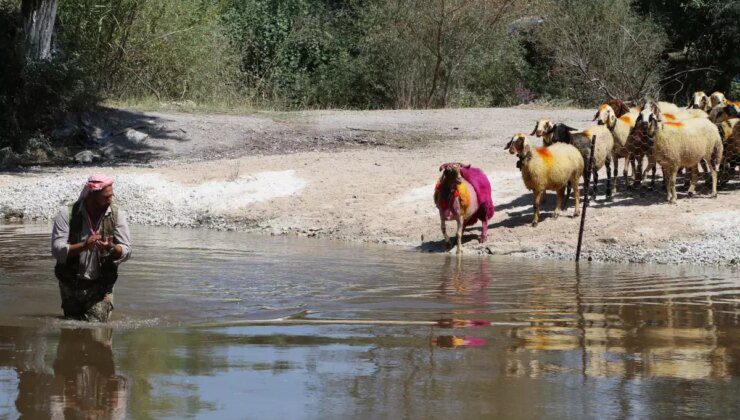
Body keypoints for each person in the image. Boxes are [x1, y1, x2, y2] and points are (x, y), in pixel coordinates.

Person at [51, 174, 132, 322]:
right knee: (71, 330)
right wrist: (84, 246)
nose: (110, 200)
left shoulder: (117, 214)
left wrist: (112, 248)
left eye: (111, 196)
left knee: (97, 332)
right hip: (70, 283)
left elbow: (127, 250)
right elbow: (57, 250)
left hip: (101, 285)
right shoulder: (67, 214)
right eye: (105, 197)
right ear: (91, 195)